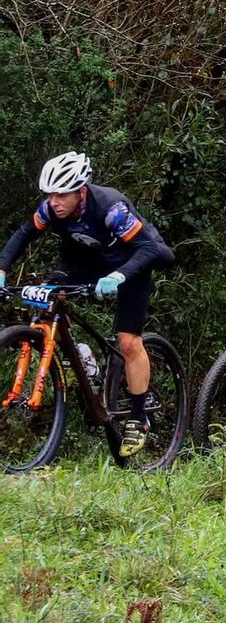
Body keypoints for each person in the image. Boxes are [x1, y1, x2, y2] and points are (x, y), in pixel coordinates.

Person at [0, 152, 175, 458]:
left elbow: (149, 249)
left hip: (132, 263)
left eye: (61, 194)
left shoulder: (111, 209)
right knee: (47, 294)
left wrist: (119, 276)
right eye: (50, 194)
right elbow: (24, 234)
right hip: (88, 263)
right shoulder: (52, 209)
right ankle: (79, 356)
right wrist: (1, 269)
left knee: (128, 341)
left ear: (81, 190)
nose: (54, 202)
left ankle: (138, 417)